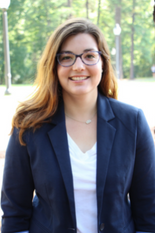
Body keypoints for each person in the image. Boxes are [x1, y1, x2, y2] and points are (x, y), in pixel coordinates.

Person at [1, 18, 155, 233]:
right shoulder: (29, 125)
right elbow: (14, 212)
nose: (79, 66)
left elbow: (149, 210)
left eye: (89, 56)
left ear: (103, 62)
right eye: (66, 57)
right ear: (53, 66)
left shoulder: (133, 122)